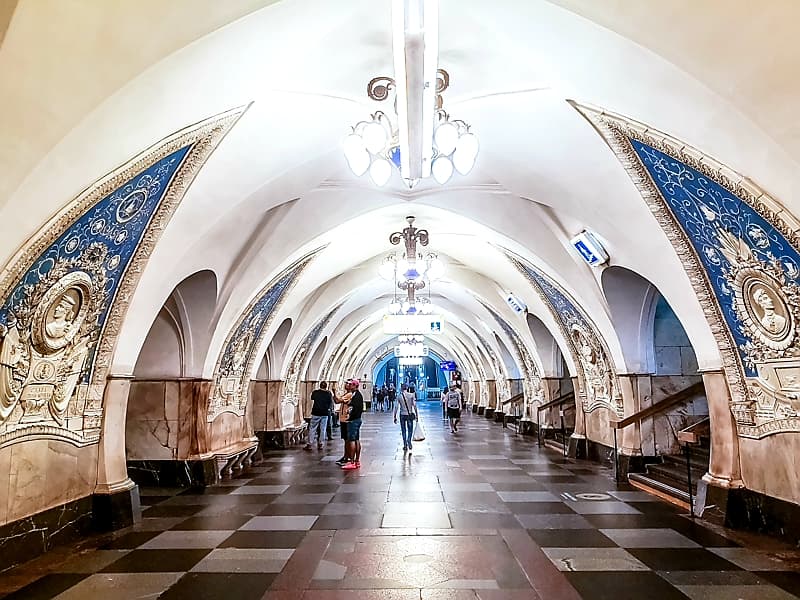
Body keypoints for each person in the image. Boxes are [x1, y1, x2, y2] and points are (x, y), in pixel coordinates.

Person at [341, 379, 364, 470]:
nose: (349, 386)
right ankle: (356, 461)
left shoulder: (356, 396)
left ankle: (352, 462)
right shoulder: (357, 395)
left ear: (355, 386)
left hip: (353, 420)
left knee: (352, 440)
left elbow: (353, 407)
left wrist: (349, 416)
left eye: (351, 385)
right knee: (356, 439)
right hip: (357, 419)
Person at [304, 382, 333, 451]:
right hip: (325, 413)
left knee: (312, 428)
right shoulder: (328, 393)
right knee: (323, 429)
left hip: (316, 412)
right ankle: (321, 444)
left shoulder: (315, 392)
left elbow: (312, 398)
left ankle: (310, 444)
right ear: (326, 386)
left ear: (320, 386)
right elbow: (330, 402)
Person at [394, 384, 418, 451]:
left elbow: (396, 407)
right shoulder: (411, 395)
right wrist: (416, 415)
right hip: (409, 414)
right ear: (407, 388)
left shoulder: (399, 396)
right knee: (410, 429)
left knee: (403, 430)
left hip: (402, 415)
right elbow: (415, 406)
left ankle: (405, 444)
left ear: (401, 388)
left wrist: (394, 416)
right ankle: (409, 440)